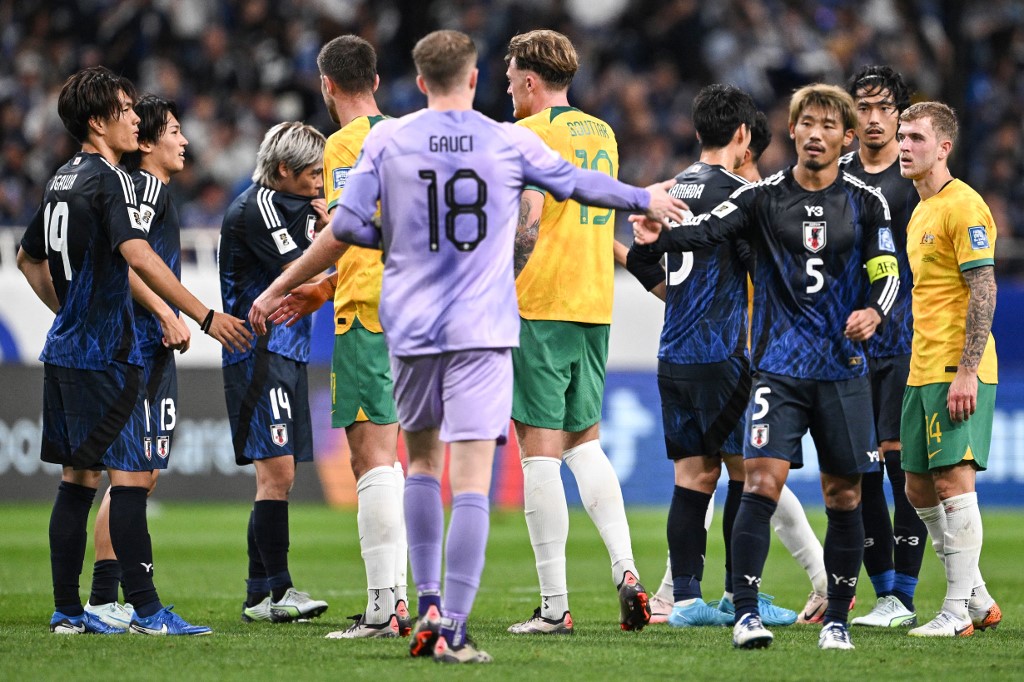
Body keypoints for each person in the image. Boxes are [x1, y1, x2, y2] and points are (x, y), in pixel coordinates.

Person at [249, 28, 684, 664]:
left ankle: (422, 607)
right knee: (472, 482)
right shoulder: (504, 137)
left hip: (413, 325)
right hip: (482, 327)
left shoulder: (390, 139)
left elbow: (342, 228)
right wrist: (644, 196)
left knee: (419, 468)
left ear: (418, 83)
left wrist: (279, 284)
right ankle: (452, 626)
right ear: (475, 80)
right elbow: (577, 185)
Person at [633, 83, 900, 651]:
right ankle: (746, 609)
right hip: (763, 364)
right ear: (787, 129)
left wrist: (874, 311)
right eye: (806, 122)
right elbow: (715, 236)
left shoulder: (865, 202)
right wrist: (664, 239)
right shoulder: (759, 195)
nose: (815, 133)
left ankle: (828, 618)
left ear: (845, 138)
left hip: (825, 366)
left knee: (840, 493)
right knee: (755, 480)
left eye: (829, 125)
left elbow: (888, 271)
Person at [17, 66, 250, 636]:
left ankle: (69, 613)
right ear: (97, 122)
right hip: (109, 355)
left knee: (77, 480)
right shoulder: (109, 180)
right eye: (123, 109)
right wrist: (204, 314)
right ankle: (147, 612)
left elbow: (28, 259)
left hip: (66, 350)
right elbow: (138, 256)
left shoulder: (61, 180)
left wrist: (69, 313)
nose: (132, 118)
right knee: (131, 475)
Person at [502, 28, 650, 636]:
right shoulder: (602, 132)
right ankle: (626, 569)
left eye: (511, 77)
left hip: (541, 302)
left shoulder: (527, 134)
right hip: (594, 303)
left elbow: (531, 223)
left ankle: (555, 604)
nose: (507, 86)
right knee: (584, 443)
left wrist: (493, 288)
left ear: (531, 81)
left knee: (538, 452)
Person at [267, 34, 410, 639]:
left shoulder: (343, 148)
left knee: (371, 459)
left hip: (370, 314)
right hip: (422, 317)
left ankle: (387, 606)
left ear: (327, 86)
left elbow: (347, 232)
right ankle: (406, 598)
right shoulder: (411, 137)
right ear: (375, 80)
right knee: (405, 457)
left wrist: (282, 285)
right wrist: (324, 287)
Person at [83, 94, 191, 629]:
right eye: (172, 130)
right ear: (145, 143)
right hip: (140, 345)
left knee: (137, 477)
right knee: (133, 476)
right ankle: (106, 598)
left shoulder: (152, 191)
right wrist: (168, 312)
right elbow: (125, 260)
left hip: (147, 344)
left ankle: (107, 599)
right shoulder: (144, 189)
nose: (183, 139)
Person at [896, 101, 1001, 637]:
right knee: (917, 488)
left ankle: (956, 609)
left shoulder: (965, 206)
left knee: (953, 481)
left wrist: (967, 371)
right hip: (920, 368)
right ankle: (979, 596)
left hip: (955, 366)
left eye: (915, 136)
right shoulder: (920, 211)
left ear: (944, 147)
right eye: (900, 135)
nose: (903, 145)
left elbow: (984, 288)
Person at [219, 121, 331, 625]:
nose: (320, 182)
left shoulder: (294, 205)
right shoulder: (259, 205)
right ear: (283, 170)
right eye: (312, 173)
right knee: (277, 473)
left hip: (286, 351)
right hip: (258, 351)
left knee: (274, 478)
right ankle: (280, 592)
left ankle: (257, 596)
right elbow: (303, 267)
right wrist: (336, 231)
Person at [839, 66, 927, 629]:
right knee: (859, 471)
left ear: (900, 113)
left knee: (901, 470)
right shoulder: (837, 174)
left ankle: (906, 595)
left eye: (884, 108)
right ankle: (883, 591)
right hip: (847, 347)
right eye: (863, 107)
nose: (873, 119)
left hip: (902, 341)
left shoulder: (915, 174)